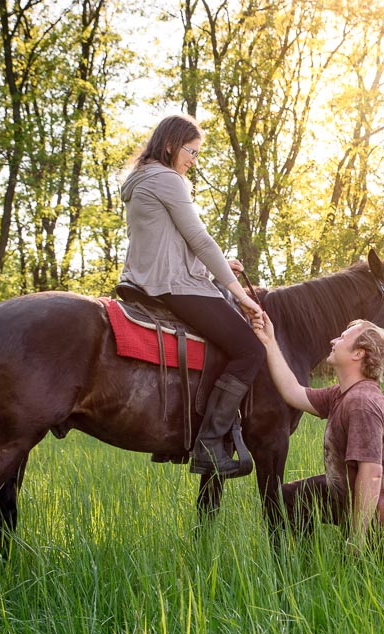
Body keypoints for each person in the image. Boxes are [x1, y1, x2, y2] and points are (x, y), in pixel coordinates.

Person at [120, 113, 264, 478]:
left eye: (198, 153)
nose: (194, 161)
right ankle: (210, 443)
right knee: (250, 350)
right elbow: (200, 239)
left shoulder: (142, 178)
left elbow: (170, 239)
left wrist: (221, 264)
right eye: (192, 152)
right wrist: (241, 296)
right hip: (173, 285)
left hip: (148, 278)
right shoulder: (169, 179)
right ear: (171, 145)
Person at [252, 312, 384, 567]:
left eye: (343, 337)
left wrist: (357, 539)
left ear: (358, 353)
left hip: (379, 520)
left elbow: (371, 474)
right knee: (291, 498)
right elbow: (293, 392)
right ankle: (303, 569)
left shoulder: (362, 403)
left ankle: (381, 571)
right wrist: (269, 340)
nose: (333, 341)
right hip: (346, 496)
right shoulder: (342, 394)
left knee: (377, 593)